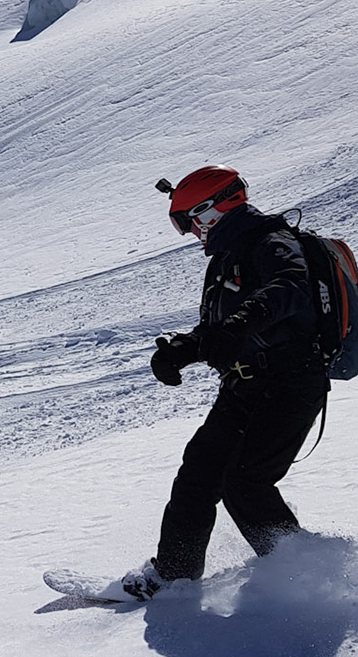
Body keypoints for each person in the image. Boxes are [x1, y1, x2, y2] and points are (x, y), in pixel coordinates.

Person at [118, 166, 330, 601]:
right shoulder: (227, 258)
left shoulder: (272, 243)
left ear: (211, 210)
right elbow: (217, 330)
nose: (189, 231)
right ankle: (173, 576)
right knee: (198, 474)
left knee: (246, 484)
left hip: (290, 384)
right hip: (244, 387)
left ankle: (310, 583)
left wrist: (235, 327)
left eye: (187, 220)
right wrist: (182, 350)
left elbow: (290, 288)